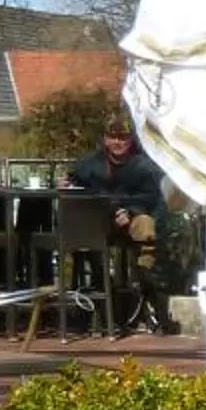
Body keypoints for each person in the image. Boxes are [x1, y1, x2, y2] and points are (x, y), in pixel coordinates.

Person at [69, 117, 178, 334]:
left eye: (123, 137)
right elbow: (77, 186)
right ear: (105, 139)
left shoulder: (145, 167)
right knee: (84, 235)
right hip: (100, 221)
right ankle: (100, 299)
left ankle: (150, 292)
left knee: (146, 227)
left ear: (131, 140)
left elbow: (154, 198)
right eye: (113, 137)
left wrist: (130, 210)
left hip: (134, 219)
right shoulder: (89, 164)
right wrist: (67, 183)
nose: (117, 142)